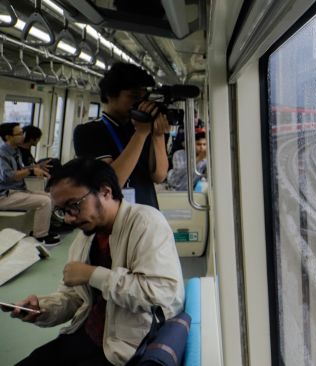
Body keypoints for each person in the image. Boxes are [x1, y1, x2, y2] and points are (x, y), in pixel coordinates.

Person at [2, 157, 185, 366]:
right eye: (62, 211)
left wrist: (92, 274)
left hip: (126, 349)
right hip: (89, 333)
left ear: (105, 192)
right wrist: (42, 309)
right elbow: (74, 298)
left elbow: (163, 295)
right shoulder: (84, 238)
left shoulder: (146, 223)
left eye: (74, 206)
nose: (69, 219)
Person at [74, 62, 169, 209]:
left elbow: (159, 176)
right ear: (110, 95)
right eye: (134, 96)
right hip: (113, 219)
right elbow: (110, 182)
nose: (140, 103)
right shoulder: (89, 131)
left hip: (147, 211)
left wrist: (158, 135)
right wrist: (141, 134)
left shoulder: (143, 126)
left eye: (144, 98)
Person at [0, 122, 59, 244]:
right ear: (8, 137)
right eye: (19, 133)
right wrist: (31, 170)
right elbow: (9, 176)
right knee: (45, 201)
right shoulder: (2, 154)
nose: (23, 136)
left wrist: (37, 166)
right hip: (4, 195)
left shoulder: (15, 151)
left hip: (17, 191)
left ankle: (38, 229)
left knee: (52, 197)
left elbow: (21, 168)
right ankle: (40, 236)